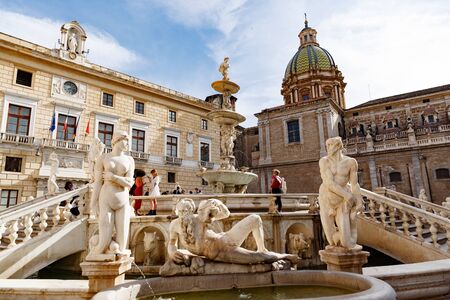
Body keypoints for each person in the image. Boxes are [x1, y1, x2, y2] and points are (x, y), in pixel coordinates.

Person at [167, 198, 299, 266]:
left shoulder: (199, 218)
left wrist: (217, 203)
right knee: (256, 258)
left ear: (192, 210)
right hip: (221, 251)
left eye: (187, 211)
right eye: (181, 211)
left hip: (225, 238)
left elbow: (226, 214)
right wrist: (172, 252)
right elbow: (172, 243)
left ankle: (262, 248)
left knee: (255, 218)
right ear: (177, 212)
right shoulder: (174, 225)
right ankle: (284, 256)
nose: (184, 214)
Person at [87, 131, 135, 259]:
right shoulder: (103, 158)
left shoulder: (129, 160)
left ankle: (114, 254)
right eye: (126, 140)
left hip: (123, 201)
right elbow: (97, 183)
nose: (128, 144)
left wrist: (113, 177)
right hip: (106, 199)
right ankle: (99, 252)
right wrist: (93, 203)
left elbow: (130, 183)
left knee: (122, 246)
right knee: (104, 237)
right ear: (117, 140)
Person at [318, 137, 363, 250]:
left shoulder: (351, 162)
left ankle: (348, 239)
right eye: (327, 145)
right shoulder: (324, 161)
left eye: (330, 145)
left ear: (338, 146)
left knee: (346, 242)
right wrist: (347, 195)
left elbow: (354, 184)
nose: (328, 148)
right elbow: (328, 183)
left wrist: (359, 201)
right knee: (331, 240)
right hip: (326, 199)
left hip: (342, 201)